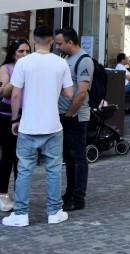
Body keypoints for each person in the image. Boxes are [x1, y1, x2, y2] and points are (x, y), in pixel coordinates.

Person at [2, 24, 73, 227]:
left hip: (28, 126)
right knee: (53, 170)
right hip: (53, 125)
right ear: (51, 41)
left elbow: (15, 94)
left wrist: (15, 119)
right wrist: (53, 90)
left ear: (34, 40)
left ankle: (21, 214)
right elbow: (69, 94)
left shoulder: (24, 63)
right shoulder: (61, 63)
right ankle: (54, 211)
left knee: (24, 170)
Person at [55, 27, 94, 213]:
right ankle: (70, 193)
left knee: (78, 158)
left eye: (60, 43)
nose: (57, 46)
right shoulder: (67, 59)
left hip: (76, 116)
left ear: (70, 42)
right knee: (69, 158)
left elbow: (81, 92)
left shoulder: (84, 60)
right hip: (66, 115)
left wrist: (70, 114)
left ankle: (78, 198)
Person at [0, 39, 31, 212]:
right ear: (14, 53)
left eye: (27, 51)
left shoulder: (31, 68)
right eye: (21, 51)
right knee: (9, 157)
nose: (25, 55)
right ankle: (2, 194)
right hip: (7, 118)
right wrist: (18, 73)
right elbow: (4, 91)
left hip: (26, 116)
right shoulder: (6, 69)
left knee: (24, 159)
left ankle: (21, 195)